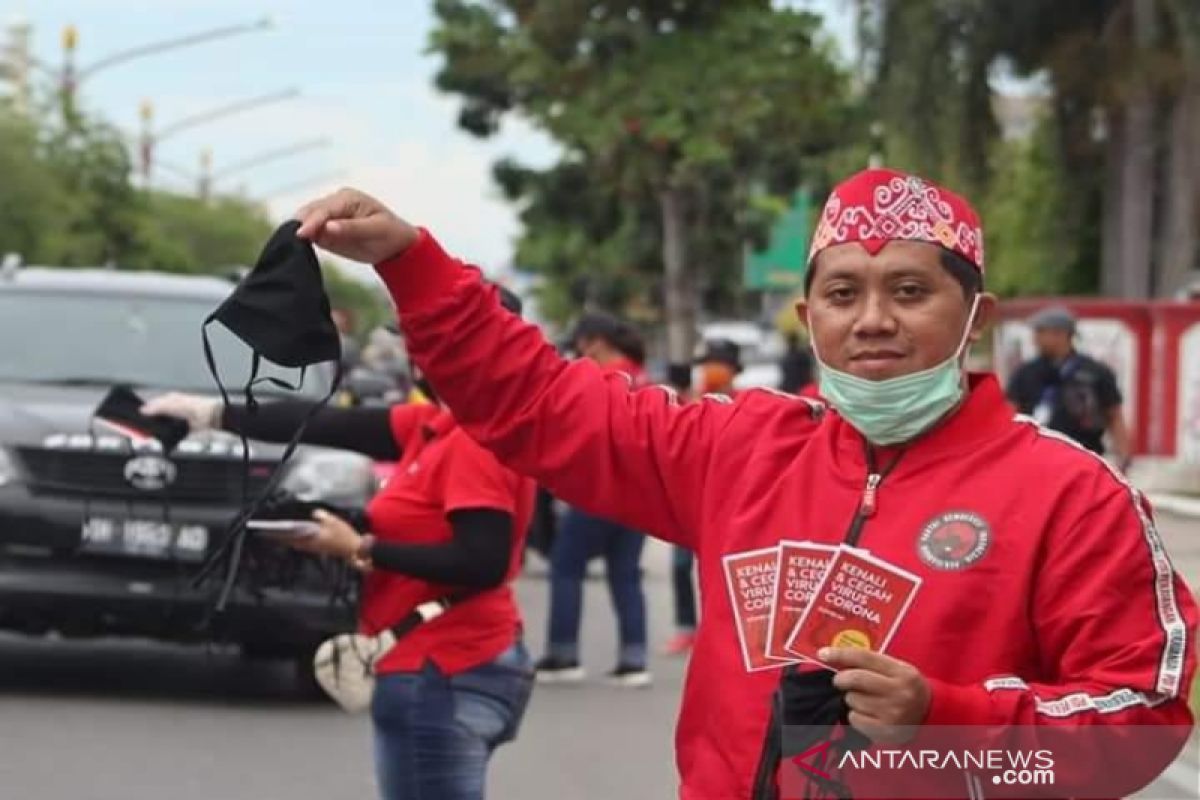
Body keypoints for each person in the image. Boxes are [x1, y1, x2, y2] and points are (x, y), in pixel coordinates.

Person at [290, 168, 1197, 799]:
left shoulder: (1072, 496)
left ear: (977, 318)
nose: (873, 320)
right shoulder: (741, 447)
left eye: (911, 292)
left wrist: (945, 720)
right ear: (810, 318)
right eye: (843, 294)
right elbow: (538, 400)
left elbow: (1144, 724)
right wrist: (412, 263)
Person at [143, 287, 536, 800]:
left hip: (443, 669)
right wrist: (208, 413)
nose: (412, 354)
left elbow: (483, 560)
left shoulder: (472, 443)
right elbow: (329, 423)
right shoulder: (436, 425)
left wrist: (360, 546)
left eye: (423, 340)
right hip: (445, 665)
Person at [535, 311, 653, 687]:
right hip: (643, 492)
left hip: (600, 487)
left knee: (566, 566)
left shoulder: (603, 379)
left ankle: (563, 653)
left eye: (580, 345)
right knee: (625, 574)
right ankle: (634, 659)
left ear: (595, 343)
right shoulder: (644, 377)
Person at [662, 338, 742, 657]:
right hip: (692, 500)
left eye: (719, 364)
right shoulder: (692, 403)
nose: (713, 371)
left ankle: (725, 632)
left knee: (726, 572)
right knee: (681, 565)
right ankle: (686, 628)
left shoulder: (747, 406)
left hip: (731, 503)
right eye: (708, 364)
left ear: (734, 371)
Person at [1006, 305, 1133, 469]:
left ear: (1061, 334)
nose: (1034, 339)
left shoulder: (1096, 372)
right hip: (1035, 459)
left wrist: (1124, 455)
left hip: (1084, 458)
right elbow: (1010, 414)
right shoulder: (1025, 373)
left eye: (1040, 332)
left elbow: (1114, 415)